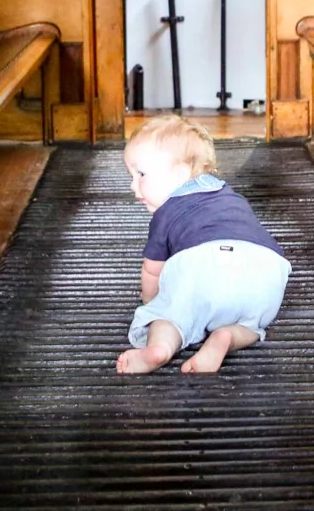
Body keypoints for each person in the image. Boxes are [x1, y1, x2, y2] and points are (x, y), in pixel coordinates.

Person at [116, 116, 291, 376]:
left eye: (141, 174)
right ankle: (226, 337)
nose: (133, 186)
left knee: (168, 316)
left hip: (205, 265)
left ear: (181, 174)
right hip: (266, 270)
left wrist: (155, 304)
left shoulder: (165, 214)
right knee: (252, 324)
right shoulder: (230, 196)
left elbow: (152, 272)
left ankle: (160, 348)